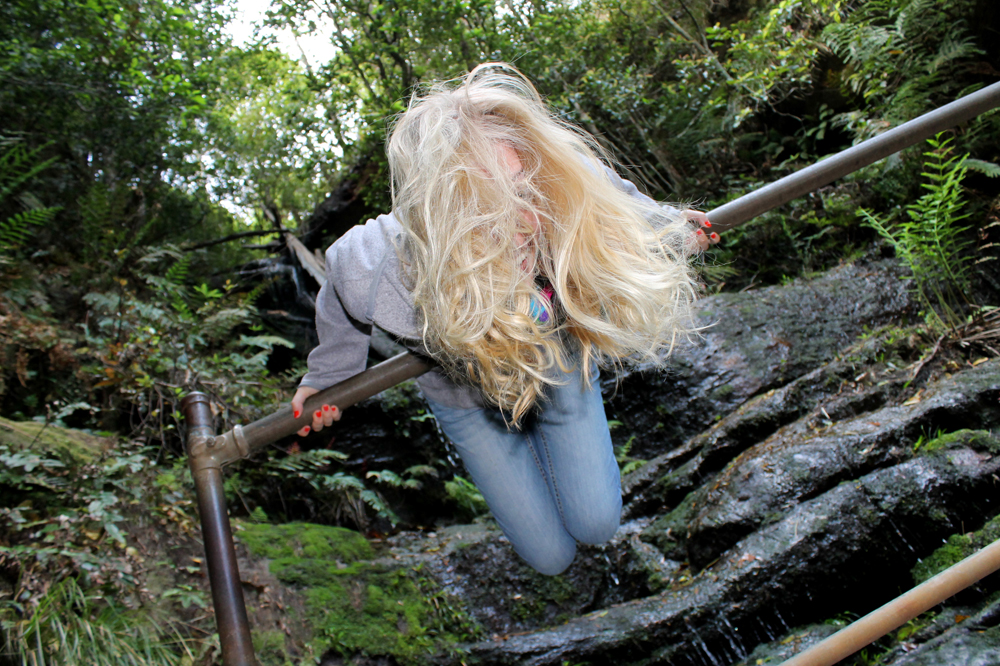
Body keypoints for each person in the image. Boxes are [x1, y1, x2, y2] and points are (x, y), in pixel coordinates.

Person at [290, 63, 719, 575]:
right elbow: (337, 293)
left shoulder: (555, 195)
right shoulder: (377, 269)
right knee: (550, 558)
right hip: (462, 395)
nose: (528, 221)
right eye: (490, 207)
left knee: (597, 524)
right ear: (439, 217)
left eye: (526, 188)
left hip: (550, 357)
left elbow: (598, 189)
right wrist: (329, 377)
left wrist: (661, 223)